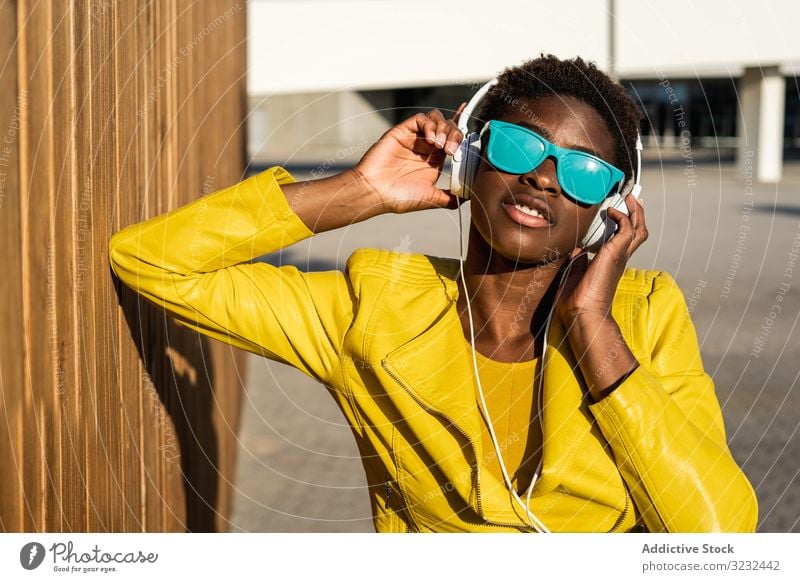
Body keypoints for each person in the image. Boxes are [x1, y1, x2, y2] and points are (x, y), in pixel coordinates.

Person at [109, 54, 758, 533]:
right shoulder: (373, 312)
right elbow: (152, 262)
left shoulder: (644, 316)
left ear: (612, 205)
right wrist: (359, 191)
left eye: (585, 170)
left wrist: (593, 326)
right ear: (469, 159)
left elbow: (720, 535)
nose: (544, 177)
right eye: (518, 145)